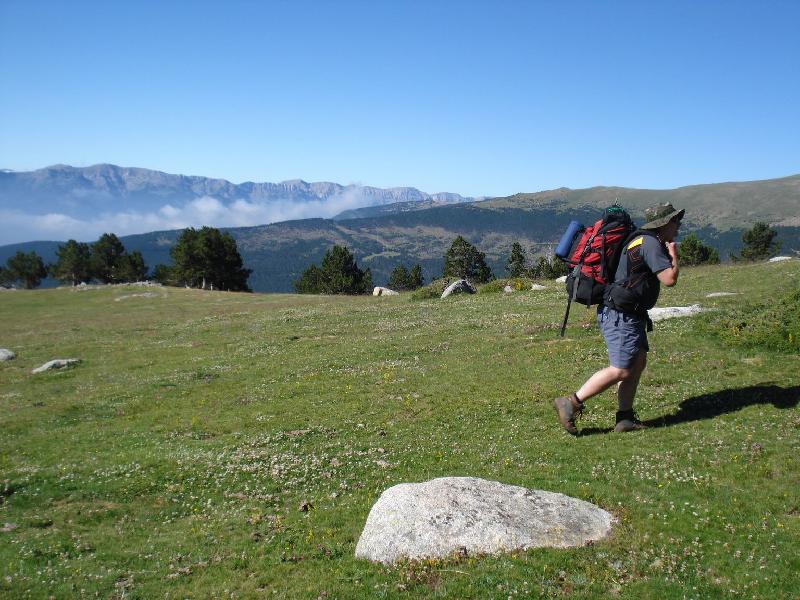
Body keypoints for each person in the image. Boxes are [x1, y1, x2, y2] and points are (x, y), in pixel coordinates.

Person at [553, 202, 685, 435]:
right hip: (620, 313)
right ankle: (571, 402)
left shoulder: (638, 239)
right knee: (622, 369)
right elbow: (669, 279)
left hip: (626, 312)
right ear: (664, 223)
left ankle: (624, 418)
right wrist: (674, 256)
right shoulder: (650, 243)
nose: (678, 225)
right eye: (675, 221)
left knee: (637, 364)